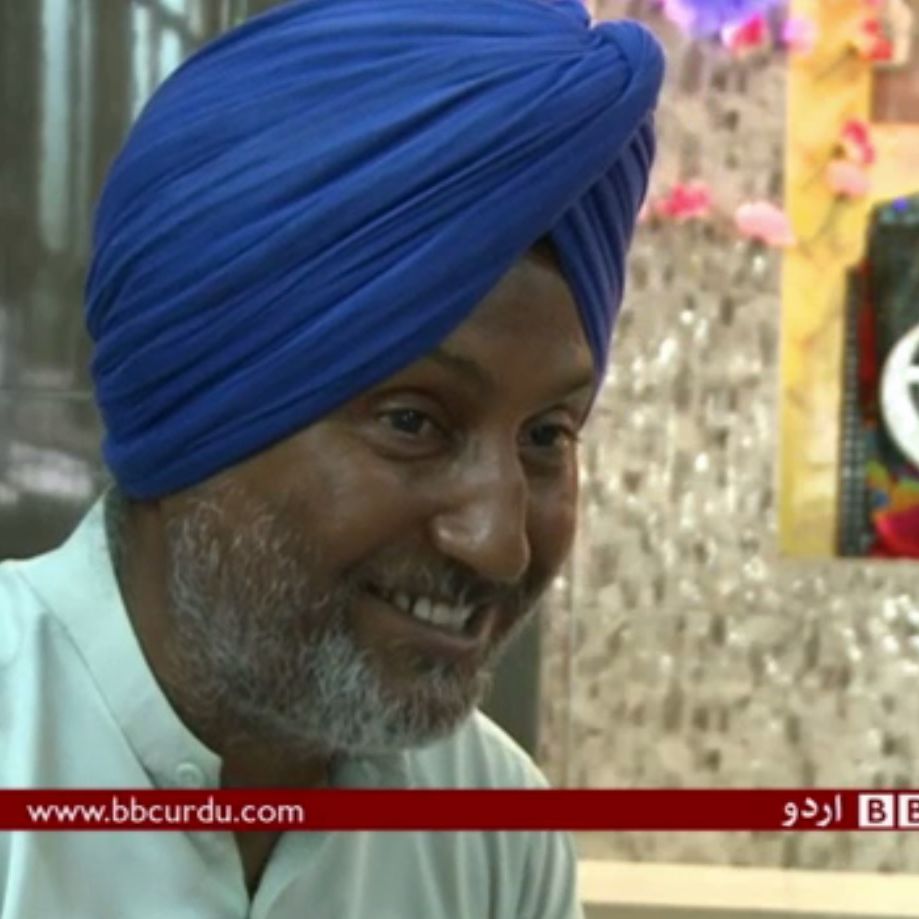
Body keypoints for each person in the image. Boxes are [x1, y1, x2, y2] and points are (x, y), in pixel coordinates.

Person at [0, 0, 663, 915]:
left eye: (547, 435)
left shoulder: (492, 831)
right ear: (197, 417)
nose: (498, 542)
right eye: (412, 421)